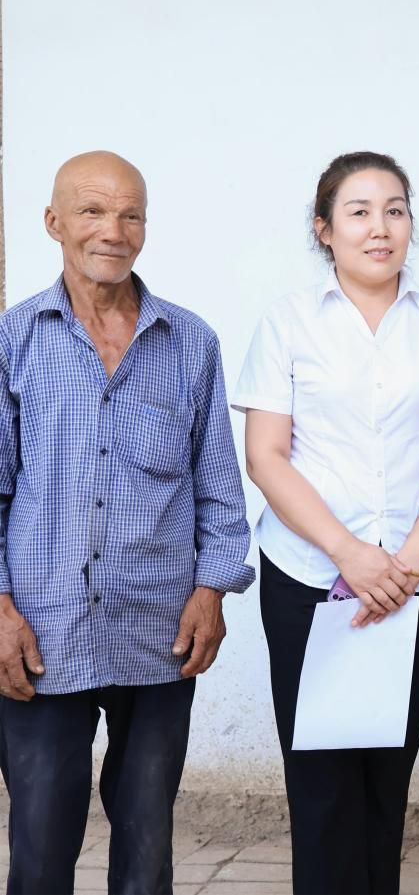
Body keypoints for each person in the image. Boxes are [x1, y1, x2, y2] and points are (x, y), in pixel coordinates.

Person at [0, 151, 254, 894]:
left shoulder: (191, 342)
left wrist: (212, 590)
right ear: (54, 222)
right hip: (43, 630)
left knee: (146, 848)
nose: (113, 230)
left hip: (160, 628)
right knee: (39, 847)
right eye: (92, 210)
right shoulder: (13, 341)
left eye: (130, 214)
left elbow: (218, 488)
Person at [234, 151, 419, 895]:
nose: (381, 227)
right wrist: (350, 552)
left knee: (387, 773)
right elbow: (266, 456)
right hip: (309, 576)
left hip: (414, 581)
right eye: (360, 212)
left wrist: (407, 563)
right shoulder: (288, 322)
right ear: (324, 229)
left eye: (395, 210)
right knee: (320, 781)